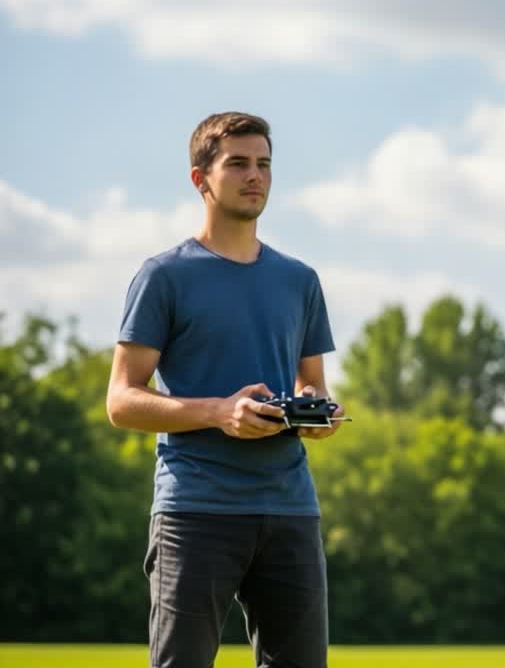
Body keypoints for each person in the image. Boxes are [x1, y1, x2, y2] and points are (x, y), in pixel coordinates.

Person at [106, 111, 342, 668]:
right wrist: (218, 412)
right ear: (200, 179)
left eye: (263, 164)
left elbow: (312, 383)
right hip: (195, 509)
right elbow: (121, 400)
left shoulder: (299, 280)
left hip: (290, 509)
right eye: (237, 163)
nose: (254, 175)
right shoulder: (164, 276)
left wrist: (318, 412)